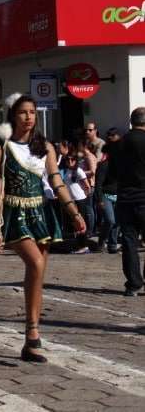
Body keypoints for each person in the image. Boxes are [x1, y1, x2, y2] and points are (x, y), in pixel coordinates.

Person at [0, 94, 86, 363]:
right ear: (13, 115)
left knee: (38, 273)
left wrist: (74, 211)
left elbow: (56, 181)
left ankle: (31, 338)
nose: (29, 117)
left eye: (32, 112)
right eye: (23, 112)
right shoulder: (3, 146)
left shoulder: (45, 147)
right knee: (34, 264)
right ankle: (32, 333)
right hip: (14, 212)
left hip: (40, 212)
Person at [110, 107, 145, 296]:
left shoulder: (119, 144)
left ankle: (133, 283)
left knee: (129, 242)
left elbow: (113, 173)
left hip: (125, 198)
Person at [95, 131, 121, 254]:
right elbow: (98, 184)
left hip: (119, 195)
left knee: (118, 221)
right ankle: (101, 241)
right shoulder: (104, 165)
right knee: (110, 220)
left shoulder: (123, 165)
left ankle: (112, 244)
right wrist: (99, 199)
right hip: (106, 195)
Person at [65, 152, 91, 254]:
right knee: (75, 223)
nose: (70, 162)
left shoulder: (79, 171)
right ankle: (79, 245)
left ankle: (84, 246)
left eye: (72, 159)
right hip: (71, 200)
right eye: (68, 160)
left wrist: (85, 196)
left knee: (81, 223)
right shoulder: (66, 171)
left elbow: (87, 186)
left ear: (76, 161)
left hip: (80, 199)